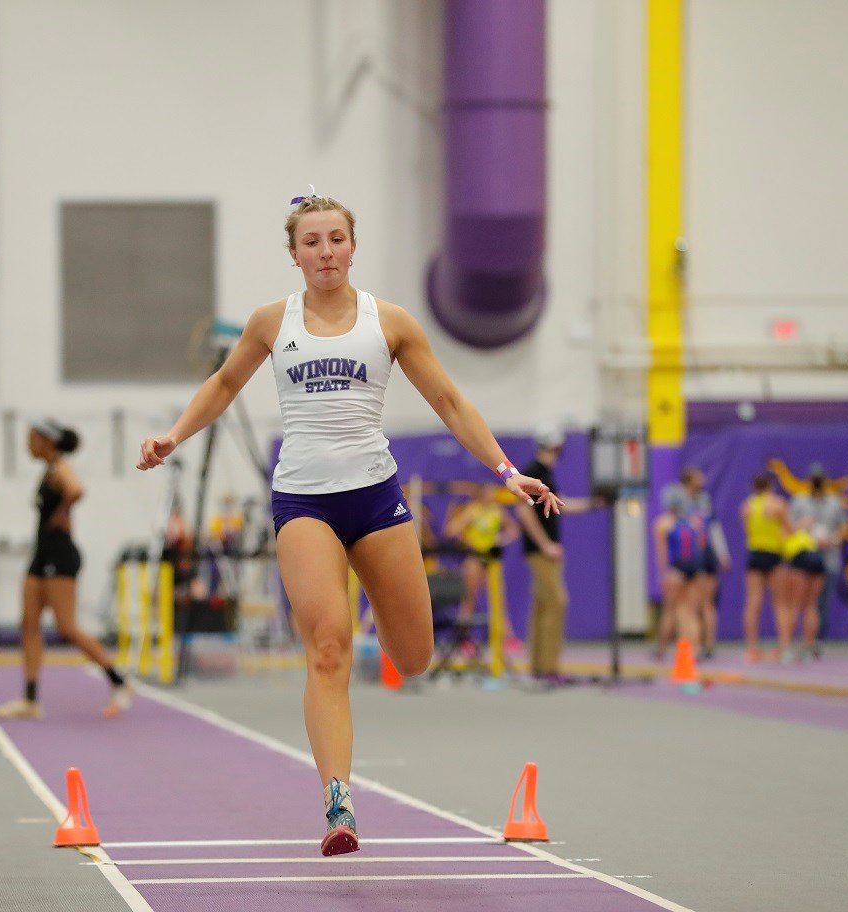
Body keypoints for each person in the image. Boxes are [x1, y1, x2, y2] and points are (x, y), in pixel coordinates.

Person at [136, 191, 559, 857]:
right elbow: (222, 387)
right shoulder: (272, 324)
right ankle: (338, 801)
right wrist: (174, 436)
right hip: (304, 500)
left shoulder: (388, 323)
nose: (326, 251)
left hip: (375, 498)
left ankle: (372, 610)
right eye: (312, 242)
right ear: (294, 254)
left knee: (414, 657)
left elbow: (450, 400)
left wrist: (508, 472)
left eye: (336, 238)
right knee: (326, 647)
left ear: (352, 247)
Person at [0, 419, 132, 720]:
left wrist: (63, 511)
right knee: (28, 624)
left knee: (66, 628)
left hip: (60, 555)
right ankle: (30, 700)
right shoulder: (48, 470)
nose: (27, 445)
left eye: (32, 438)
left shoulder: (59, 467)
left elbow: (77, 489)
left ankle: (119, 681)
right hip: (41, 555)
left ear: (48, 441)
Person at [514, 428, 597, 682]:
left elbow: (561, 503)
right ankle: (548, 668)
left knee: (543, 605)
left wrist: (593, 503)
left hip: (542, 550)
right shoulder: (536, 470)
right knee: (556, 602)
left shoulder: (543, 471)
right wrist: (545, 544)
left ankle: (539, 666)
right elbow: (523, 511)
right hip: (542, 551)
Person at [443, 484, 520, 626]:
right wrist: (466, 539)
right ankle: (464, 636)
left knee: (499, 599)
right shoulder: (473, 510)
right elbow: (451, 530)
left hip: (492, 559)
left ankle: (506, 637)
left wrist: (501, 539)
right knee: (470, 598)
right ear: (482, 494)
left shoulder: (497, 510)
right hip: (475, 558)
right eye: (490, 493)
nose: (493, 496)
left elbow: (514, 530)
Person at [788, 463, 848, 643]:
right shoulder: (799, 501)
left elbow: (843, 527)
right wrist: (803, 530)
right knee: (800, 601)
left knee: (820, 601)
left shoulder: (834, 502)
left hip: (827, 556)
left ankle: (816, 639)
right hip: (804, 556)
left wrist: (834, 539)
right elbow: (789, 528)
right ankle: (797, 640)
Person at [681, 465, 729, 659]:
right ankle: (698, 642)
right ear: (688, 480)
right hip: (691, 554)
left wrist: (722, 553)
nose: (702, 480)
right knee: (696, 604)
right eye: (697, 477)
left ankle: (706, 643)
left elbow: (714, 527)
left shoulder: (704, 500)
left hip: (703, 554)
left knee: (705, 603)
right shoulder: (681, 500)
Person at [740, 473, 789, 662]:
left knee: (753, 603)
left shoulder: (747, 506)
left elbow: (747, 532)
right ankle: (784, 647)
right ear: (770, 486)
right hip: (774, 554)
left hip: (755, 554)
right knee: (780, 603)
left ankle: (752, 648)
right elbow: (789, 529)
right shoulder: (778, 504)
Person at [653, 486, 705, 659]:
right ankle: (695, 648)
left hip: (677, 569)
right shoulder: (694, 521)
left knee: (670, 611)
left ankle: (662, 648)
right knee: (691, 612)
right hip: (694, 568)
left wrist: (663, 575)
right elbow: (700, 546)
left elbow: (662, 553)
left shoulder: (663, 523)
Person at [779, 521, 825, 663]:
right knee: (811, 605)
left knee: (794, 606)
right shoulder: (804, 532)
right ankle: (808, 647)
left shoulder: (784, 532)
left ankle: (787, 649)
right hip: (817, 559)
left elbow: (783, 556)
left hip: (801, 559)